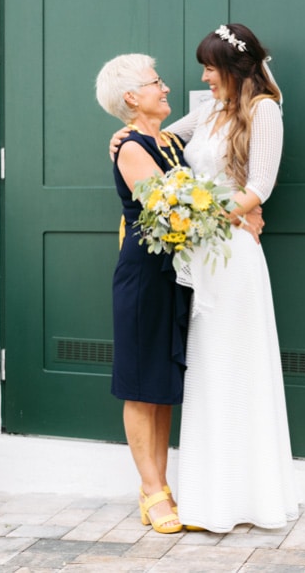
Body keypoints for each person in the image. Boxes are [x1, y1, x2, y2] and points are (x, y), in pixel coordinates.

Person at [159, 23, 299, 532]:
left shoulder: (264, 110)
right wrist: (127, 134)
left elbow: (259, 186)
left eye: (211, 68)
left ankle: (249, 498)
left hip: (233, 256)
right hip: (201, 253)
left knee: (236, 365)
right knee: (207, 367)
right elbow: (165, 142)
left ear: (235, 69)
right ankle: (207, 496)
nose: (203, 76)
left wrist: (211, 218)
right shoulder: (209, 110)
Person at [95, 54, 190, 534]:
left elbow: (209, 123)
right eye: (157, 83)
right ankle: (152, 490)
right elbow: (169, 208)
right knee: (140, 380)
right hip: (143, 272)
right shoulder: (131, 147)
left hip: (175, 271)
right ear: (132, 96)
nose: (166, 88)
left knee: (164, 381)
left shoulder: (170, 139)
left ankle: (162, 483)